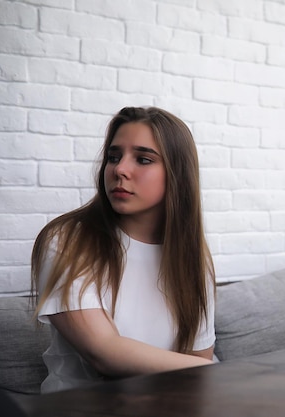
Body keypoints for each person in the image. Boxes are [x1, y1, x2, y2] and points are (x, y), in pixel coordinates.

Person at [31, 107, 216, 393]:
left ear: (177, 173)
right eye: (113, 157)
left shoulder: (193, 257)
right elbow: (104, 352)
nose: (119, 169)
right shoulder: (67, 240)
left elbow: (198, 360)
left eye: (143, 159)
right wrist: (228, 372)